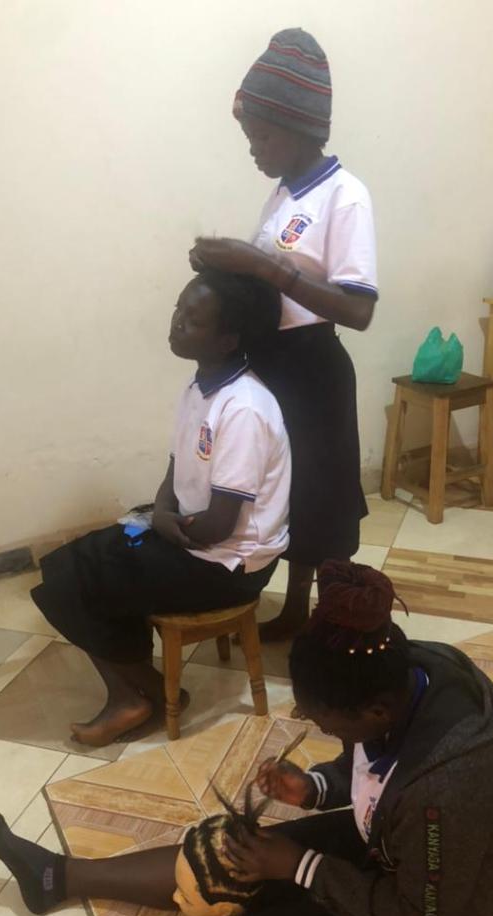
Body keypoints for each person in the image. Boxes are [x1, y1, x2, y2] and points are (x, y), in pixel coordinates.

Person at [0, 562, 493, 916]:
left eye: (325, 722)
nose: (317, 728)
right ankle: (57, 878)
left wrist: (302, 867)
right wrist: (315, 786)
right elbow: (377, 759)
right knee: (234, 852)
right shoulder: (407, 674)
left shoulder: (446, 790)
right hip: (412, 858)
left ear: (372, 708)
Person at [29, 269, 290, 746]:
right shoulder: (199, 387)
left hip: (227, 563)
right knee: (72, 563)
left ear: (228, 339)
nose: (177, 323)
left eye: (194, 320)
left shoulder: (245, 408)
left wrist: (164, 526)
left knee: (78, 581)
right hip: (191, 535)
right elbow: (175, 467)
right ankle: (143, 688)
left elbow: (219, 525)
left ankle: (134, 697)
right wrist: (162, 512)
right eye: (178, 310)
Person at [190, 28, 378, 641]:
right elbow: (269, 285)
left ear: (299, 130)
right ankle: (296, 609)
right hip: (272, 362)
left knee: (322, 496)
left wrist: (262, 264)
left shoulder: (345, 197)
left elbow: (357, 310)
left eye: (262, 136)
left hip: (313, 368)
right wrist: (225, 267)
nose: (253, 149)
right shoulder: (284, 195)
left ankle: (334, 620)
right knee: (287, 489)